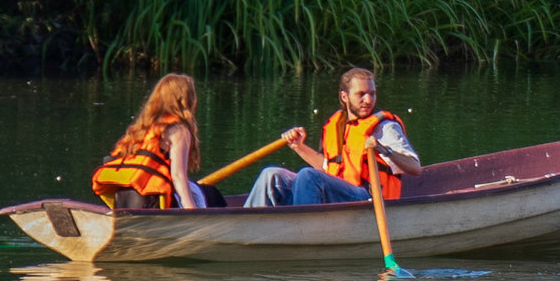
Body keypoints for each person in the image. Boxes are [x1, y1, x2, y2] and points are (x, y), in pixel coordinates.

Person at [244, 67, 423, 208]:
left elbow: (415, 168)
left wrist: (384, 150)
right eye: (361, 94)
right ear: (344, 96)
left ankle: (302, 230)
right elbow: (327, 167)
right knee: (271, 175)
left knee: (308, 176)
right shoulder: (336, 124)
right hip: (337, 190)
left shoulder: (385, 127)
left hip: (366, 198)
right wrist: (299, 146)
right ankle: (247, 224)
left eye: (372, 93)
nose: (368, 100)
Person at [91, 72, 216, 209]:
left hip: (123, 198)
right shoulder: (179, 130)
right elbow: (178, 175)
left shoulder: (143, 126)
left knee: (203, 190)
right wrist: (192, 211)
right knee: (213, 195)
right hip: (151, 200)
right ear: (185, 101)